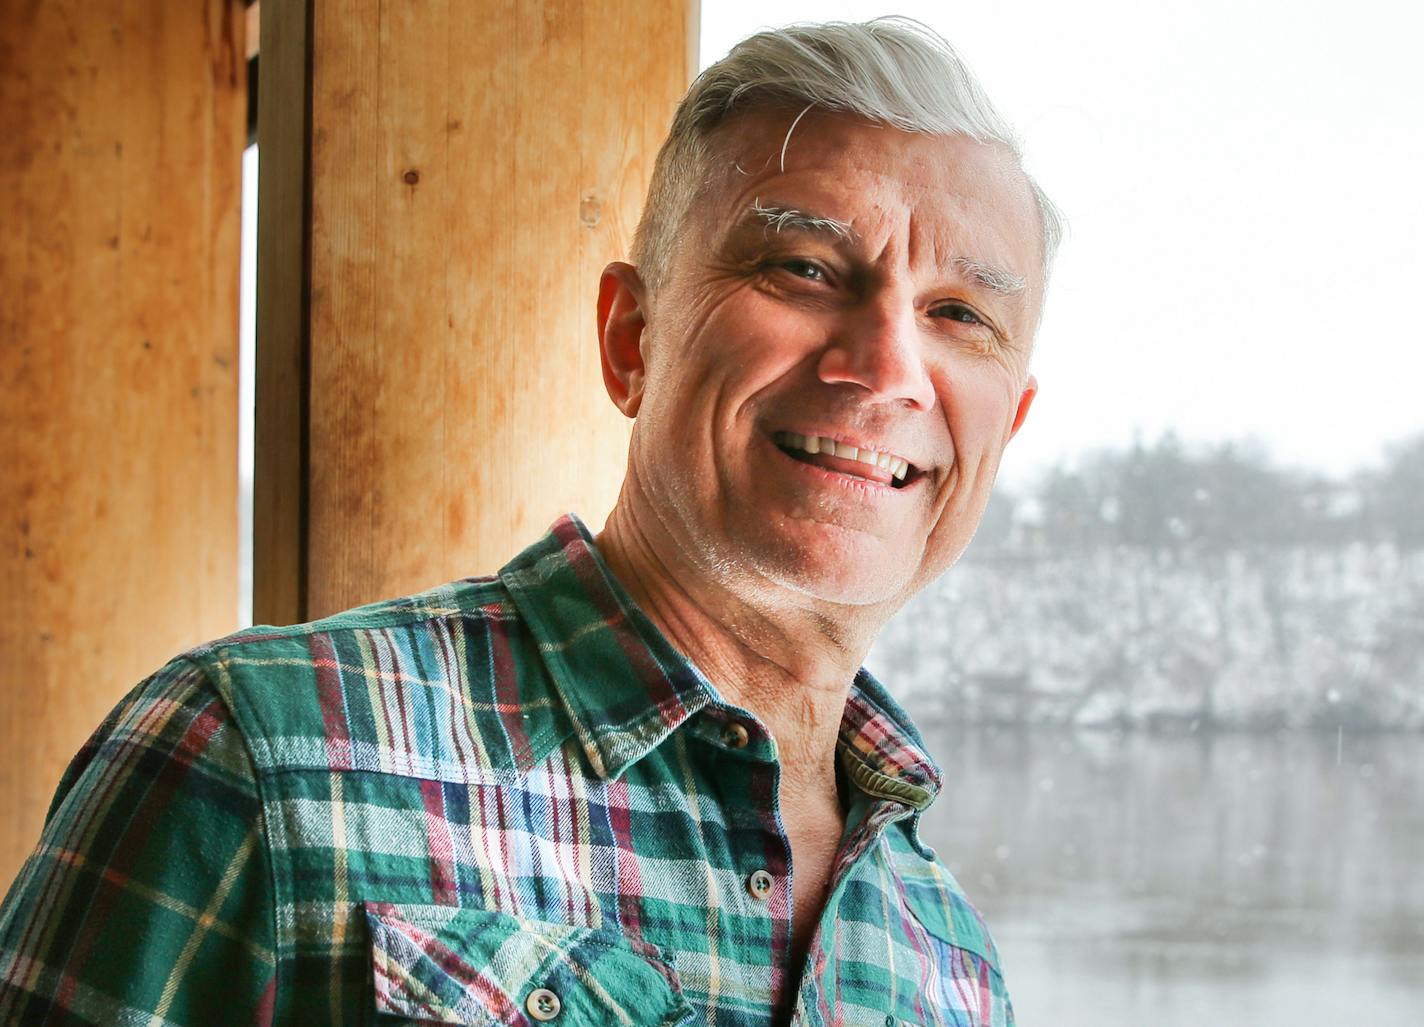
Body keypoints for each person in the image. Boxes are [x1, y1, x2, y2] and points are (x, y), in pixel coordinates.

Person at [0, 18, 1060, 1026]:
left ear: (1003, 426)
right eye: (804, 270)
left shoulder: (946, 956)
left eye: (959, 315)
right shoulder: (250, 752)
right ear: (630, 338)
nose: (881, 368)